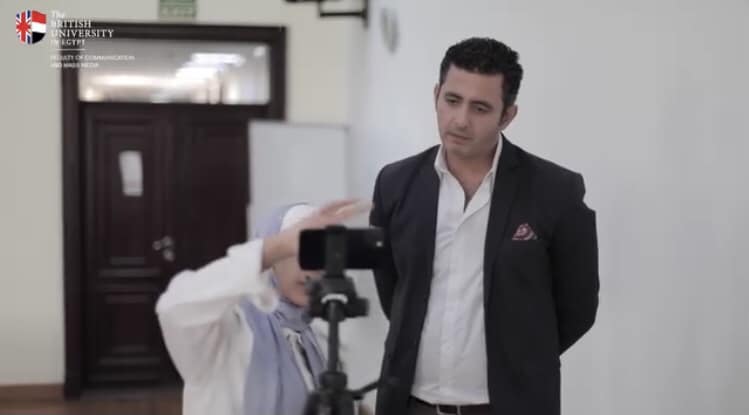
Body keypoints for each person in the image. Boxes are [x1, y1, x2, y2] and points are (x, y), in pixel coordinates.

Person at [369, 37, 600, 415]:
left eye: (480, 108)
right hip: (411, 405)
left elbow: (578, 305)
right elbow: (393, 289)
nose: (460, 120)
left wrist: (523, 361)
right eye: (452, 100)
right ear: (436, 96)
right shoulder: (395, 183)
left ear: (507, 116)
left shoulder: (555, 191)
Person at [156, 200, 371, 415]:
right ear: (274, 260)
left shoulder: (317, 338)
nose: (312, 269)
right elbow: (175, 306)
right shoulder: (230, 330)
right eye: (299, 252)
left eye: (320, 254)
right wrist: (274, 247)